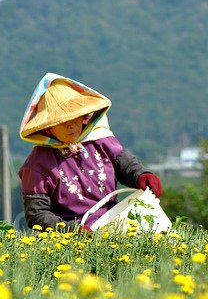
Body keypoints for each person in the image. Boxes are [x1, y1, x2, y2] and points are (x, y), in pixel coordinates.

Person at [17, 73, 162, 231]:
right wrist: (71, 230)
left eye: (75, 118)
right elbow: (36, 214)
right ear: (49, 127)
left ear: (83, 117)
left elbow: (125, 165)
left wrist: (142, 175)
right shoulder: (37, 164)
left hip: (115, 222)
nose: (71, 126)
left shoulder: (100, 140)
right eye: (63, 122)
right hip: (71, 240)